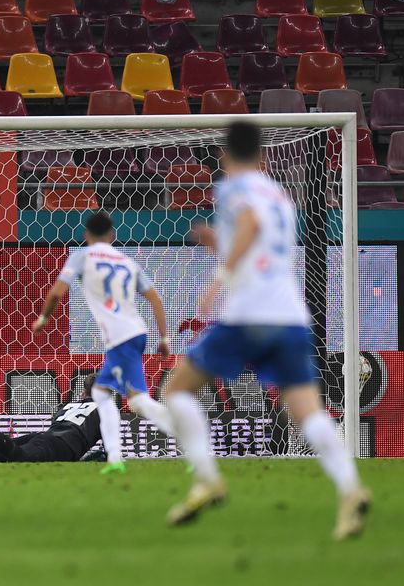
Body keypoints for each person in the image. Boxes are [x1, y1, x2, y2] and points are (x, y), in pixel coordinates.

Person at [161, 121, 371, 539]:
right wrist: (216, 243)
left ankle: (207, 478)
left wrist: (219, 276)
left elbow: (251, 224)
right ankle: (350, 489)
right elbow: (258, 240)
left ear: (224, 155)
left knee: (175, 390)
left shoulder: (232, 187)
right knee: (306, 409)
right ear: (265, 155)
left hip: (247, 313)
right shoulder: (281, 195)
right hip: (289, 314)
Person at [31, 211, 176, 474]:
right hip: (135, 333)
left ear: (86, 235)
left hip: (122, 337)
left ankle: (191, 442)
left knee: (138, 402)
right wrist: (164, 337)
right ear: (112, 236)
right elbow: (155, 299)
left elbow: (56, 292)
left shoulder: (83, 255)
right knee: (101, 394)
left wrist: (43, 318)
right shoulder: (126, 261)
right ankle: (114, 458)